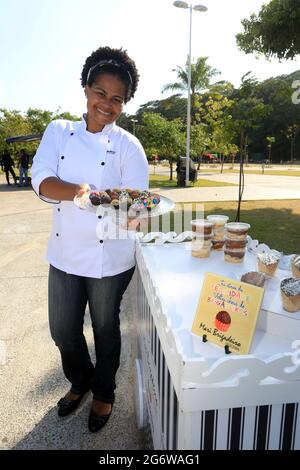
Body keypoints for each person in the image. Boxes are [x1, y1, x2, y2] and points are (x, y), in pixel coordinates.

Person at [31, 46, 148, 433]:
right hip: (64, 251)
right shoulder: (59, 131)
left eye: (117, 99)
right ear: (86, 89)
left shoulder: (129, 146)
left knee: (105, 328)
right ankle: (79, 379)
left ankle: (103, 391)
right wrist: (83, 191)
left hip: (110, 257)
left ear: (124, 104)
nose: (107, 104)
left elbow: (137, 206)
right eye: (101, 93)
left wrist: (135, 213)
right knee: (63, 330)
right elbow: (43, 180)